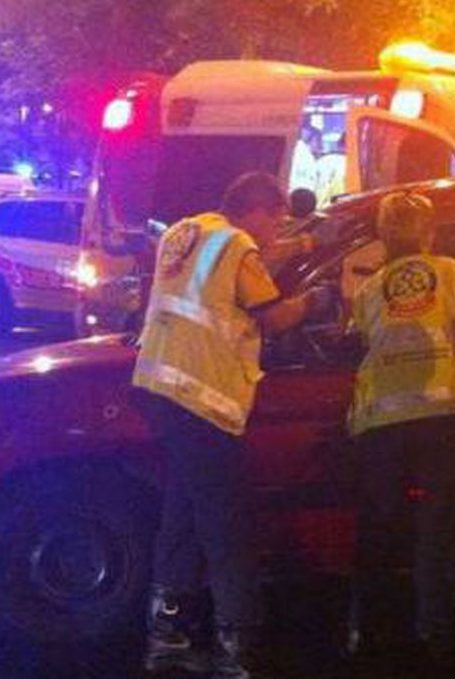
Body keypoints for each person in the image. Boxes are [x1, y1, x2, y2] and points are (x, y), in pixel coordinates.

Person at [133, 171, 329, 678]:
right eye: (276, 221)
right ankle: (236, 647)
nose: (275, 231)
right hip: (203, 396)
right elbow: (274, 316)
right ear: (257, 211)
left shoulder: (189, 231)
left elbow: (248, 270)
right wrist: (314, 300)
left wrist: (304, 243)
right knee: (227, 524)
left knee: (181, 514)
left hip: (159, 386)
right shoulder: (237, 246)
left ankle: (168, 635)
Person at [346, 191, 455, 667]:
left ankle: (370, 633)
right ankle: (436, 635)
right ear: (431, 233)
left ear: (383, 236)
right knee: (437, 529)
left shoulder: (369, 289)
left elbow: (363, 340)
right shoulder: (451, 272)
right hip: (444, 412)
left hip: (381, 419)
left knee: (379, 528)